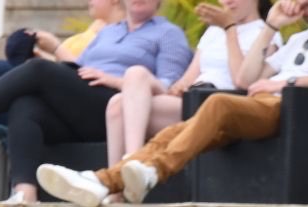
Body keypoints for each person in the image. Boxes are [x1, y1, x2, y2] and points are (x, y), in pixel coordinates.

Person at [36, 0, 308, 207]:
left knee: (218, 105)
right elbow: (246, 77)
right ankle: (102, 182)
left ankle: (152, 171)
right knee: (174, 133)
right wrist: (271, 27)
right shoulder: (298, 38)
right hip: (263, 104)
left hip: (301, 111)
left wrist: (286, 81)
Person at [0, 0, 191, 203]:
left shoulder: (167, 34)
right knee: (26, 103)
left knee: (35, 72)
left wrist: (115, 80)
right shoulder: (108, 32)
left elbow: (166, 89)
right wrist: (51, 56)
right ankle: (25, 193)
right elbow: (78, 69)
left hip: (118, 105)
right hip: (84, 99)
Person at [105, 0, 271, 173]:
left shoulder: (264, 33)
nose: (227, 2)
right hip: (192, 97)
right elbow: (189, 77)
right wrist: (179, 87)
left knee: (122, 105)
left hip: (219, 105)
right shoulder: (214, 31)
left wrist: (230, 30)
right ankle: (118, 180)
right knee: (125, 90)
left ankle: (127, 165)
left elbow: (241, 81)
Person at [0, 0, 124, 117]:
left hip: (84, 98)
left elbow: (84, 71)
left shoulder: (116, 36)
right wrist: (45, 56)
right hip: (61, 86)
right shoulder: (96, 31)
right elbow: (72, 67)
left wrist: (56, 47)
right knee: (14, 91)